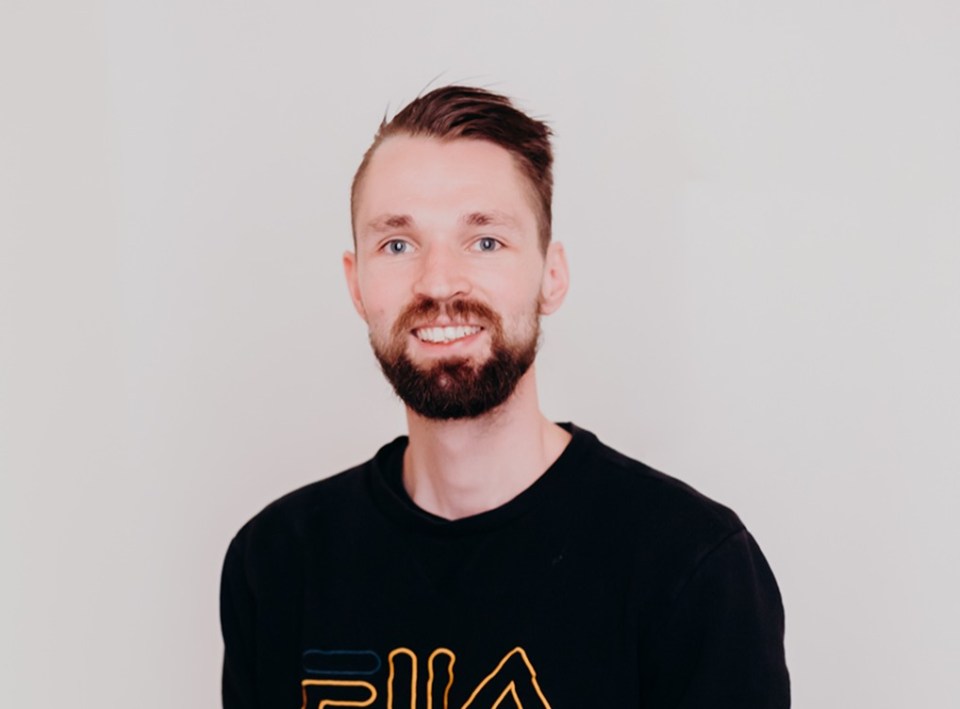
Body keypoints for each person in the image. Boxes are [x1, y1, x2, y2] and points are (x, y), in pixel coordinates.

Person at [220, 86, 790, 708]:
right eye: (398, 245)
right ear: (357, 285)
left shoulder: (693, 568)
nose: (438, 281)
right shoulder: (276, 564)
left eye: (485, 241)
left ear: (552, 275)